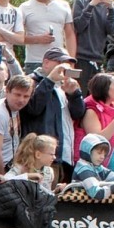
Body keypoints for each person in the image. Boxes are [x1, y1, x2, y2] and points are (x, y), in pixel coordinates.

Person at [21, 47, 85, 179]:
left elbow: (78, 114)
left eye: (68, 64)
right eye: (60, 63)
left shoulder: (64, 86)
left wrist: (74, 94)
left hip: (64, 157)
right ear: (46, 63)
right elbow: (33, 108)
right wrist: (49, 80)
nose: (65, 68)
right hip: (39, 159)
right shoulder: (31, 82)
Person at [77, 73, 114, 172]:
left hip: (111, 162)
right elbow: (96, 141)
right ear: (104, 88)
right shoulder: (91, 111)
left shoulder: (113, 109)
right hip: (92, 167)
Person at [20, 0, 76, 71]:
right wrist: (38, 39)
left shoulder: (63, 5)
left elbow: (69, 35)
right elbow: (17, 37)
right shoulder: (24, 7)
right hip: (34, 62)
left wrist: (71, 61)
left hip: (58, 61)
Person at [71, 0, 114, 88]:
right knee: (78, 94)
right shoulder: (81, 1)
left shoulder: (112, 6)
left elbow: (112, 30)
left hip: (98, 58)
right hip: (80, 57)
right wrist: (91, 5)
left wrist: (111, 10)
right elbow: (78, 26)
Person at [0, 75, 34, 181]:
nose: (21, 100)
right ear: (7, 91)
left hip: (9, 168)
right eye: (17, 95)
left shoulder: (14, 109)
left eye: (26, 96)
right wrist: (5, 179)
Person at [69, 134, 114, 200]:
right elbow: (98, 194)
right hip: (79, 207)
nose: (102, 157)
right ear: (88, 151)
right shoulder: (84, 169)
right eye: (99, 153)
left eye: (104, 154)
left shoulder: (97, 167)